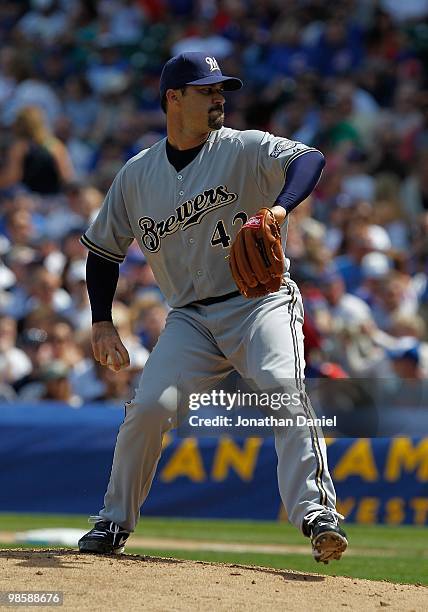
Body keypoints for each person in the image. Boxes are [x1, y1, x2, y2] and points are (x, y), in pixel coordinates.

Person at [78, 52, 348, 563]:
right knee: (149, 410)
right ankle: (112, 522)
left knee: (283, 387)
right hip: (190, 318)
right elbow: (103, 251)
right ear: (173, 99)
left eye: (222, 88)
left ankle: (316, 513)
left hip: (258, 303)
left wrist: (278, 206)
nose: (219, 96)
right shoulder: (138, 175)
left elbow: (309, 159)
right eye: (206, 90)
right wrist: (101, 322)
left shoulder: (243, 147)